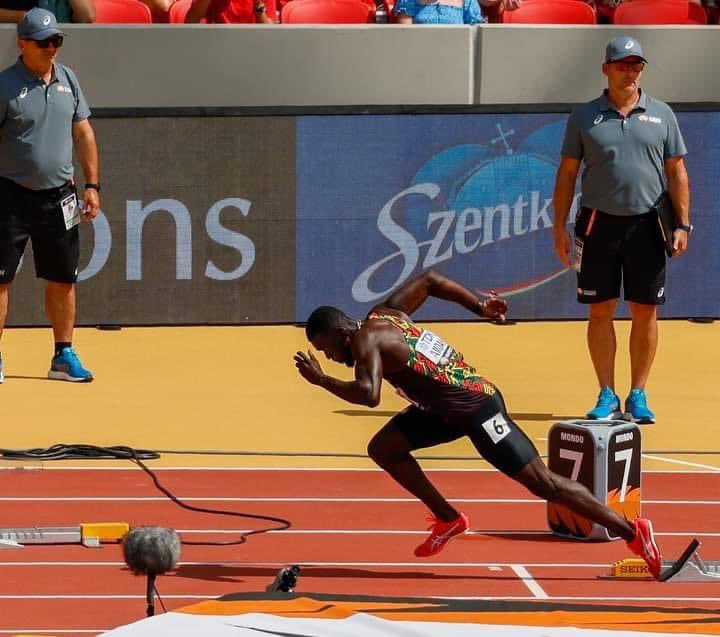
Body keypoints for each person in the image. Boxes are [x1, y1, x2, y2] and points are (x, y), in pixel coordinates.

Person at [294, 269, 664, 578]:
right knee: (384, 448)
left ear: (342, 331)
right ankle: (449, 519)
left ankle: (633, 532)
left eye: (328, 350)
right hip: (441, 411)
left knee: (544, 483)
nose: (332, 358)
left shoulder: (364, 341)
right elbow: (429, 281)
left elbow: (368, 394)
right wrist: (480, 305)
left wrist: (321, 380)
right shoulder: (384, 314)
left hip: (477, 409)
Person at [552, 36, 690, 424]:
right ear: (606, 69)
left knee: (645, 312)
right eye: (622, 64)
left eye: (636, 65)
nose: (630, 72)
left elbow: (677, 171)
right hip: (597, 224)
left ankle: (639, 394)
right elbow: (566, 174)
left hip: (648, 225)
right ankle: (607, 393)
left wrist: (683, 224)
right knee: (600, 311)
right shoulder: (583, 116)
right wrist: (559, 227)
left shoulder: (662, 114)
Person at [0, 8, 100, 384]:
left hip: (61, 197)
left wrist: (92, 185)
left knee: (63, 278)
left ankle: (63, 355)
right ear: (23, 43)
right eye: (44, 42)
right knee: (0, 279)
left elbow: (84, 135)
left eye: (56, 40)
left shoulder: (69, 80)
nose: (51, 48)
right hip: (10, 194)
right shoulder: (5, 86)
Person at [185, 0, 277, 23]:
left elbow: (269, 33)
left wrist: (258, 3)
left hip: (253, 47)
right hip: (218, 45)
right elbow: (190, 21)